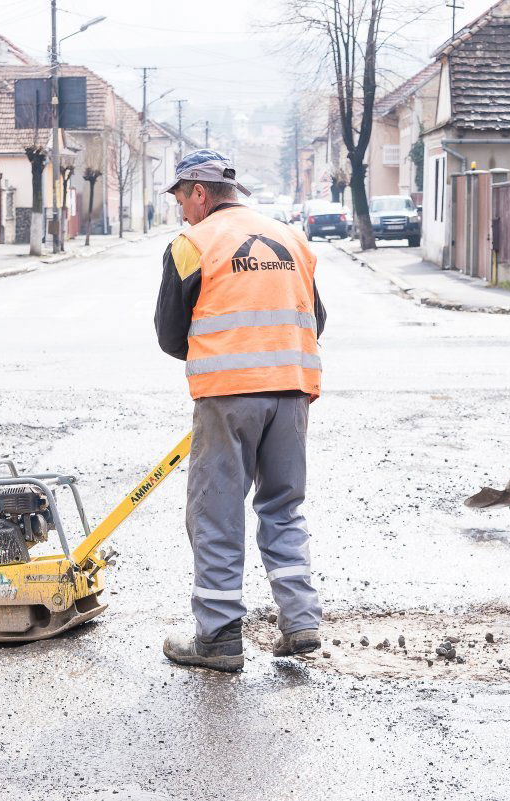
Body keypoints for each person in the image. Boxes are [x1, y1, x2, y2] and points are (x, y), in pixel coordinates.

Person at [154, 149, 325, 672]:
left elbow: (169, 334)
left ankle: (219, 637)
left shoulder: (192, 243)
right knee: (282, 506)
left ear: (199, 193)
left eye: (182, 197)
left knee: (216, 511)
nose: (182, 209)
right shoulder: (292, 238)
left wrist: (220, 358)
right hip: (293, 391)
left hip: (228, 395)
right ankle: (300, 621)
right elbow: (316, 317)